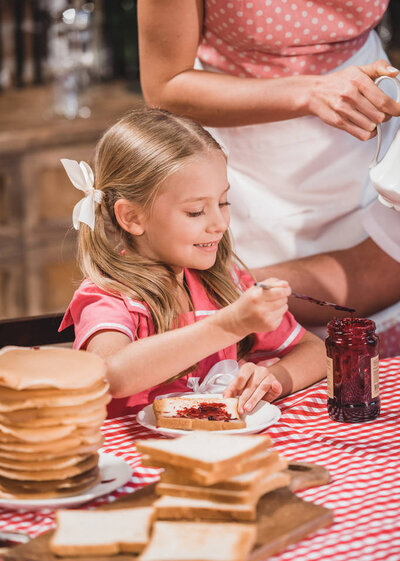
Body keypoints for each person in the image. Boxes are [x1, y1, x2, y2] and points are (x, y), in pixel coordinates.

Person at [137, 0, 400, 341]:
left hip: (368, 132)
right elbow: (165, 86)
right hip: (241, 150)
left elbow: (377, 271)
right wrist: (309, 90)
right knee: (246, 328)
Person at [59, 108, 325, 418]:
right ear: (132, 217)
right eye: (196, 211)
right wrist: (229, 325)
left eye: (222, 202)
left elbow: (316, 351)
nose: (219, 223)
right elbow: (113, 375)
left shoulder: (224, 284)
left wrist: (273, 380)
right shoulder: (108, 296)